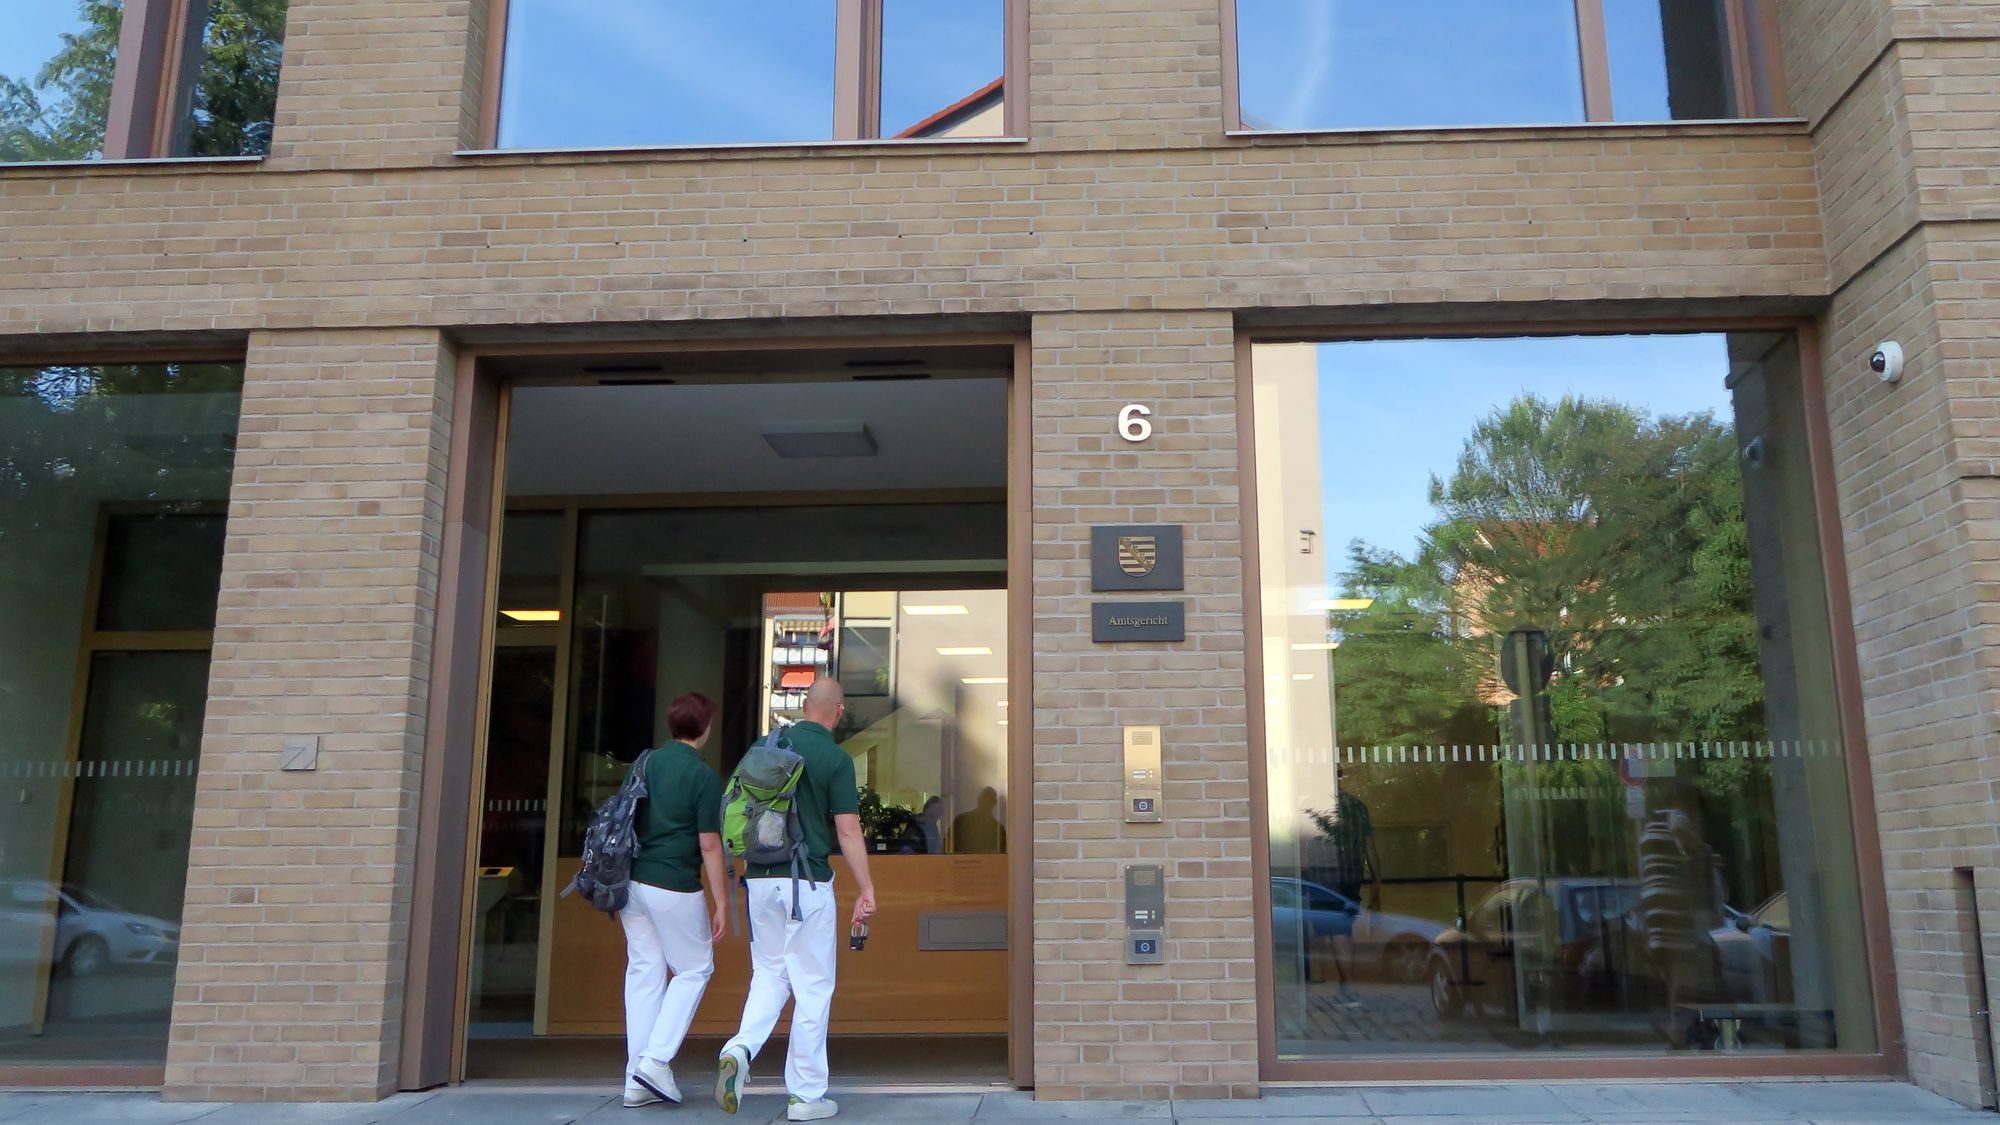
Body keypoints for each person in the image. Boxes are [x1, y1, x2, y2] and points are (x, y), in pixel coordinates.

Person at [716, 679, 876, 1122]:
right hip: (806, 883)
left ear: (805, 706)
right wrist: (866, 887)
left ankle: (739, 1049)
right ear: (838, 712)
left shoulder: (765, 746)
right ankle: (805, 1096)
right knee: (812, 986)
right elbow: (847, 831)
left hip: (761, 881)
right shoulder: (835, 759)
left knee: (769, 974)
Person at [620, 692, 728, 1108]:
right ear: (704, 728)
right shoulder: (702, 776)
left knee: (645, 972)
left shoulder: (645, 762)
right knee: (694, 968)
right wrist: (721, 901)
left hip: (632, 883)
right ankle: (655, 1061)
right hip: (674, 883)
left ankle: (634, 1080)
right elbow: (709, 844)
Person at [1313, 787, 1380, 1007]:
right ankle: (1343, 985)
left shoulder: (1313, 804)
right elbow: (1370, 849)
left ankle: (1345, 987)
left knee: (1336, 933)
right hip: (1352, 878)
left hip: (1326, 878)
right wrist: (1376, 883)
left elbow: (1307, 845)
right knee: (1342, 931)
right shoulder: (1357, 806)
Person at [951, 786, 1007, 854]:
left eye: (989, 799)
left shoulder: (999, 829)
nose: (986, 801)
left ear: (994, 802)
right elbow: (950, 848)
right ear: (978, 800)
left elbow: (1001, 856)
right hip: (963, 863)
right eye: (984, 797)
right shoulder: (960, 821)